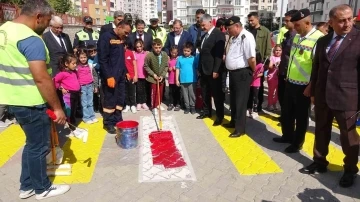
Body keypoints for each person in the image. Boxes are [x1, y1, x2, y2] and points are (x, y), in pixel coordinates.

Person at [0, 0, 70, 199]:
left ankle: (27, 186)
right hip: (31, 101)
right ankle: (42, 188)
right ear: (38, 16)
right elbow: (41, 77)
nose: (47, 26)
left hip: (12, 99)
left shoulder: (4, 30)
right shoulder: (30, 39)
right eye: (47, 21)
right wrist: (57, 108)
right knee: (40, 146)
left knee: (32, 144)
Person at [300, 4, 360, 188]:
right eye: (342, 20)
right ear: (331, 22)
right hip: (322, 95)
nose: (348, 23)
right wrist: (313, 89)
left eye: (350, 19)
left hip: (348, 97)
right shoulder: (323, 41)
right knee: (321, 130)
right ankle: (319, 161)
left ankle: (350, 169)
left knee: (348, 138)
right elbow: (317, 67)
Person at [275, 9, 324, 153]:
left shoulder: (318, 39)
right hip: (290, 81)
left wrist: (311, 86)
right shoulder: (297, 36)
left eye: (297, 25)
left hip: (304, 86)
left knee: (301, 116)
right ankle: (287, 136)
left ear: (307, 23)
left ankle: (297, 143)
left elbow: (318, 66)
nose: (294, 28)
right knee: (287, 112)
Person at [223, 16, 256, 137]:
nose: (228, 31)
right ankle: (234, 122)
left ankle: (240, 129)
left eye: (229, 28)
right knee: (234, 100)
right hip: (233, 73)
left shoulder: (246, 37)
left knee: (240, 102)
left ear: (237, 26)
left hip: (242, 73)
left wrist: (252, 71)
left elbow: (251, 58)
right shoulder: (236, 37)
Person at [98, 21, 132, 134]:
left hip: (121, 75)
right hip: (111, 76)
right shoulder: (106, 37)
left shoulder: (121, 38)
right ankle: (109, 123)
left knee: (120, 99)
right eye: (126, 32)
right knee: (110, 100)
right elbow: (103, 59)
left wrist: (126, 71)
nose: (127, 35)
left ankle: (118, 119)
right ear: (119, 27)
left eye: (128, 33)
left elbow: (121, 58)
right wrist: (108, 76)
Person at [196, 14, 225, 126]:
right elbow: (202, 54)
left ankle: (219, 116)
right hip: (204, 70)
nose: (202, 27)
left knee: (217, 95)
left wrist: (216, 70)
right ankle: (207, 112)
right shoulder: (204, 36)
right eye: (201, 25)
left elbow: (218, 54)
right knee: (205, 93)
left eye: (203, 25)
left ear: (210, 22)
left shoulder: (218, 34)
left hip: (214, 71)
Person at [247, 12, 272, 112]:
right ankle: (248, 105)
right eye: (249, 20)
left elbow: (268, 47)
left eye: (252, 20)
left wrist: (266, 63)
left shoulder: (265, 31)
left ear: (257, 19)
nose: (250, 22)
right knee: (249, 85)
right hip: (249, 61)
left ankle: (258, 106)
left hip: (260, 62)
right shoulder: (248, 31)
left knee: (259, 86)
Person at [276, 10, 298, 120]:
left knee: (290, 99)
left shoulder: (298, 37)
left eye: (287, 21)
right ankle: (285, 116)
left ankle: (290, 118)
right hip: (282, 70)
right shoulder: (286, 35)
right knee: (282, 95)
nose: (285, 23)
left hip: (291, 73)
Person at [54, 54, 81, 131]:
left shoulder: (74, 72)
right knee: (69, 111)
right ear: (66, 64)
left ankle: (72, 122)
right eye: (73, 63)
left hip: (75, 94)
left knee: (74, 109)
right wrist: (61, 88)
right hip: (68, 95)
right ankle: (71, 125)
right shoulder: (62, 73)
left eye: (76, 63)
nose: (75, 65)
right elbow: (55, 81)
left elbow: (77, 81)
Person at [144, 38, 169, 115]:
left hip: (161, 78)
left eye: (159, 47)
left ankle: (158, 104)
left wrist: (162, 75)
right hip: (153, 78)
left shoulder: (164, 55)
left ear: (162, 46)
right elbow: (146, 66)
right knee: (154, 92)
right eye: (156, 48)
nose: (158, 49)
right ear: (152, 47)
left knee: (160, 92)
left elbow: (166, 66)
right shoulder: (149, 56)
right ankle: (153, 106)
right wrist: (153, 74)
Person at [76, 49, 99, 124]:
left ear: (87, 57)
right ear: (78, 58)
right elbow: (75, 78)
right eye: (81, 57)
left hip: (90, 85)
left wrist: (95, 86)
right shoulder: (77, 67)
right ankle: (86, 117)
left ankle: (92, 116)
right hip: (82, 87)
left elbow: (95, 76)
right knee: (84, 103)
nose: (83, 59)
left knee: (90, 102)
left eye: (84, 57)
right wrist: (77, 88)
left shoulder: (90, 65)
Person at [175, 42, 198, 114]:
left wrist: (198, 79)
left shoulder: (194, 58)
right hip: (183, 80)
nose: (186, 52)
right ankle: (187, 107)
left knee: (192, 94)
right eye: (185, 50)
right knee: (185, 95)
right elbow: (177, 69)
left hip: (192, 80)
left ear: (191, 51)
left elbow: (197, 69)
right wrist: (177, 80)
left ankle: (192, 107)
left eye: (188, 51)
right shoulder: (180, 59)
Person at [133, 39, 150, 111]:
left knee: (144, 89)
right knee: (138, 90)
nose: (139, 48)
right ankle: (139, 103)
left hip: (145, 75)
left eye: (140, 46)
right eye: (137, 47)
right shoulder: (134, 54)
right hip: (138, 75)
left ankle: (144, 102)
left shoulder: (146, 53)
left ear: (143, 46)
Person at [247, 52, 263, 119]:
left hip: (256, 83)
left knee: (255, 98)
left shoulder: (260, 65)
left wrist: (257, 75)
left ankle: (255, 111)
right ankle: (249, 109)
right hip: (250, 83)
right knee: (249, 96)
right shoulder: (250, 64)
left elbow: (261, 73)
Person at [123, 42, 138, 114]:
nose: (123, 47)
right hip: (123, 76)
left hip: (131, 75)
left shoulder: (131, 53)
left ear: (126, 45)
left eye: (124, 46)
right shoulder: (119, 53)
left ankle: (133, 105)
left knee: (132, 91)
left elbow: (134, 64)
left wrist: (135, 75)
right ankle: (127, 105)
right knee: (125, 91)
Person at [267, 45, 281, 111]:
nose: (278, 52)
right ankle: (269, 104)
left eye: (279, 50)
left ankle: (274, 104)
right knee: (271, 92)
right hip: (272, 77)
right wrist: (275, 64)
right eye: (276, 50)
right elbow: (270, 66)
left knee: (278, 92)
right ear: (274, 51)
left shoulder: (283, 58)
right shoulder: (272, 57)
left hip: (279, 77)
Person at [167, 45, 181, 111]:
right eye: (172, 52)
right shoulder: (169, 60)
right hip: (171, 80)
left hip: (177, 79)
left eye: (175, 53)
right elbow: (166, 68)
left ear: (177, 52)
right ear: (170, 52)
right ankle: (171, 103)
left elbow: (181, 68)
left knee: (177, 92)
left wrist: (177, 68)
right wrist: (169, 69)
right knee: (171, 92)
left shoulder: (178, 59)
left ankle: (178, 104)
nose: (174, 54)